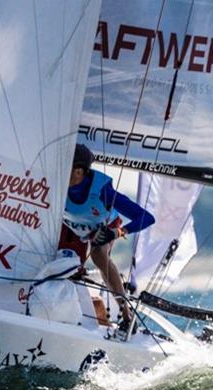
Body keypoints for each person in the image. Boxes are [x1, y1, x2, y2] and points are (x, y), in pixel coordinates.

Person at [59, 144, 155, 336]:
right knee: (62, 264)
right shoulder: (56, 182)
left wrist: (118, 232)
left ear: (78, 171)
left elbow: (146, 217)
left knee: (98, 255)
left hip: (103, 227)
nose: (59, 171)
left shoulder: (103, 191)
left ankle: (127, 316)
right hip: (69, 225)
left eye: (65, 167)